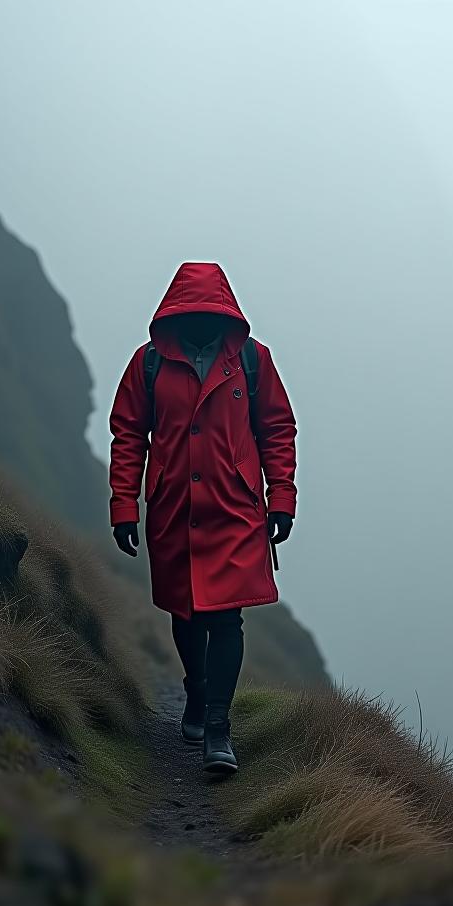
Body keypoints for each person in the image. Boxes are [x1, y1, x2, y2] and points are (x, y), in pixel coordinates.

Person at [107, 261, 297, 774]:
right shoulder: (148, 364)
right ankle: (197, 689)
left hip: (235, 510)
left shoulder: (253, 362)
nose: (200, 322)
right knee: (184, 611)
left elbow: (278, 429)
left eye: (209, 313)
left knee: (227, 615)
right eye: (191, 313)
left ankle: (218, 728)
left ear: (225, 312)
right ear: (174, 312)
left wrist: (282, 497)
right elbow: (128, 435)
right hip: (173, 506)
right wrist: (124, 504)